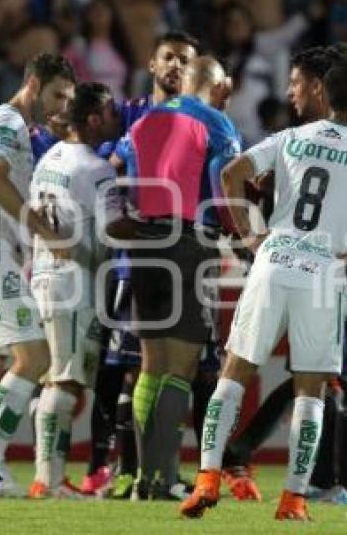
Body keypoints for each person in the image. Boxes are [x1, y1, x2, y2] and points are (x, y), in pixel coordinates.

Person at [180, 60, 347, 521]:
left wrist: (250, 235)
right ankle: (294, 499)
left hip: (274, 260)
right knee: (310, 389)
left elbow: (230, 175)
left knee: (234, 374)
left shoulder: (291, 138)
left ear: (324, 95)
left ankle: (206, 479)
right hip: (325, 272)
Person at [106, 55, 241, 501]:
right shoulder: (218, 124)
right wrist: (238, 234)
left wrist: (126, 213)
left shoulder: (145, 120)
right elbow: (224, 187)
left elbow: (115, 163)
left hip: (143, 243)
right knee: (180, 370)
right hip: (188, 243)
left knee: (150, 366)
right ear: (219, 86)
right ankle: (163, 479)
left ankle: (145, 479)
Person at [0, 53, 76, 498]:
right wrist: (39, 227)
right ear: (34, 83)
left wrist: (6, 210)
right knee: (35, 358)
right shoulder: (9, 122)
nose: (62, 106)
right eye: (57, 94)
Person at [82, 30, 200, 499]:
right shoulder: (130, 114)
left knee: (168, 368)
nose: (174, 66)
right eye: (168, 57)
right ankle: (111, 468)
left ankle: (147, 470)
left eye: (183, 60)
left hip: (174, 256)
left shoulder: (199, 116)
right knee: (119, 371)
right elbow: (103, 166)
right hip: (132, 260)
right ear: (152, 64)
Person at [26, 82, 122, 498]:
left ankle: (47, 474)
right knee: (64, 381)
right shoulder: (96, 169)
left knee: (54, 377)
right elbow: (112, 230)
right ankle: (48, 480)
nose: (117, 118)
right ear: (95, 117)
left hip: (45, 274)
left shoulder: (49, 157)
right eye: (111, 111)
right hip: (74, 281)